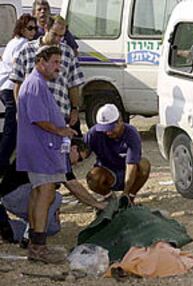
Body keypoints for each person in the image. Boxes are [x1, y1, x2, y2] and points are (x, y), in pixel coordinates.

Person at [16, 45, 77, 264]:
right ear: (41, 62)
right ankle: (39, 248)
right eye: (55, 62)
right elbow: (38, 118)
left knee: (39, 193)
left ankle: (35, 244)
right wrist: (60, 130)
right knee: (45, 194)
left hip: (41, 148)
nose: (58, 68)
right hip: (40, 149)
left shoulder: (37, 84)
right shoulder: (34, 84)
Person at [0, 138, 106, 245]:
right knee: (55, 197)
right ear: (73, 148)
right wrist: (98, 204)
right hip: (14, 194)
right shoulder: (60, 155)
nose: (77, 163)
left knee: (53, 228)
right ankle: (32, 237)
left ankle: (9, 229)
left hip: (21, 196)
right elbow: (74, 186)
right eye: (79, 159)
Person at [10, 15, 84, 136]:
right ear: (46, 28)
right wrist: (20, 109)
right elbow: (18, 82)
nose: (58, 39)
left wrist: (75, 109)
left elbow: (73, 84)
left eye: (61, 36)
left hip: (59, 114)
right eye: (55, 34)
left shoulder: (68, 53)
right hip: (33, 116)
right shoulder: (27, 50)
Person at [85, 104, 151, 205]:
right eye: (104, 129)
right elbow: (82, 152)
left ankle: (130, 198)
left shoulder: (131, 134)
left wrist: (126, 192)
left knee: (144, 164)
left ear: (120, 121)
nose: (108, 133)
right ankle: (109, 197)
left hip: (127, 172)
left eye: (111, 128)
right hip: (107, 172)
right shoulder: (94, 133)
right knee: (93, 177)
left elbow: (131, 166)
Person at [0, 14, 37, 175]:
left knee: (13, 129)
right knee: (12, 130)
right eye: (30, 28)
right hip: (11, 86)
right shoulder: (23, 43)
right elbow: (17, 64)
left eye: (35, 28)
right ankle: (2, 165)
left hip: (4, 86)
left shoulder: (12, 42)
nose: (33, 32)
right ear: (22, 28)